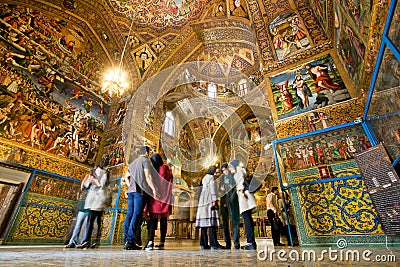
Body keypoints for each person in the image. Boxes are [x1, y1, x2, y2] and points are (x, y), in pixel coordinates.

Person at [123, 146, 157, 250]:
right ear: (147, 153)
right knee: (136, 215)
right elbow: (148, 177)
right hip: (140, 192)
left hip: (131, 192)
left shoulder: (133, 162)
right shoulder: (146, 161)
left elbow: (126, 176)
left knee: (129, 214)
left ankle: (126, 240)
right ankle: (130, 240)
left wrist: (130, 186)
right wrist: (154, 189)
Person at [144, 153, 173, 251]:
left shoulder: (152, 170)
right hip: (164, 196)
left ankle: (150, 242)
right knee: (163, 220)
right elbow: (170, 180)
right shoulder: (165, 168)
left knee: (153, 220)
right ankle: (161, 242)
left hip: (154, 196)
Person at [228, 159, 258, 250]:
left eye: (230, 166)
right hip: (245, 195)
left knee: (247, 220)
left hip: (243, 197)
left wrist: (241, 192)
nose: (229, 169)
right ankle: (251, 242)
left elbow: (240, 184)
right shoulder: (242, 170)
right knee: (248, 219)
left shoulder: (237, 171)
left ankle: (251, 243)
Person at [76, 165, 108, 249]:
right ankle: (86, 241)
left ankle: (94, 241)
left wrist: (96, 181)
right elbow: (86, 185)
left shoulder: (104, 176)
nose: (98, 172)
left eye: (99, 171)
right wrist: (88, 180)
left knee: (97, 223)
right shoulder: (93, 176)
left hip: (98, 203)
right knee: (89, 222)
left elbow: (101, 185)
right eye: (96, 171)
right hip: (92, 203)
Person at [195, 166, 225, 250]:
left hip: (203, 200)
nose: (217, 174)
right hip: (209, 200)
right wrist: (214, 200)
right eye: (216, 172)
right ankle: (213, 243)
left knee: (204, 225)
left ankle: (203, 244)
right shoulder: (211, 177)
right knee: (212, 223)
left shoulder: (204, 177)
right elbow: (212, 189)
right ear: (213, 172)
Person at [64, 170, 93, 248]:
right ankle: (72, 241)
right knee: (78, 224)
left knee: (87, 225)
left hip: (90, 206)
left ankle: (83, 242)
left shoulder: (93, 185)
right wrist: (87, 178)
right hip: (83, 206)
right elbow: (83, 185)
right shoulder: (85, 186)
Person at [219, 163, 240, 249]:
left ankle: (236, 243)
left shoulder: (234, 176)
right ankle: (227, 243)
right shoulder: (221, 178)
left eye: (226, 169)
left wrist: (233, 187)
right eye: (223, 170)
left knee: (235, 222)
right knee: (225, 223)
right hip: (224, 201)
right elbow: (219, 189)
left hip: (233, 200)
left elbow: (237, 186)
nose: (225, 171)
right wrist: (221, 188)